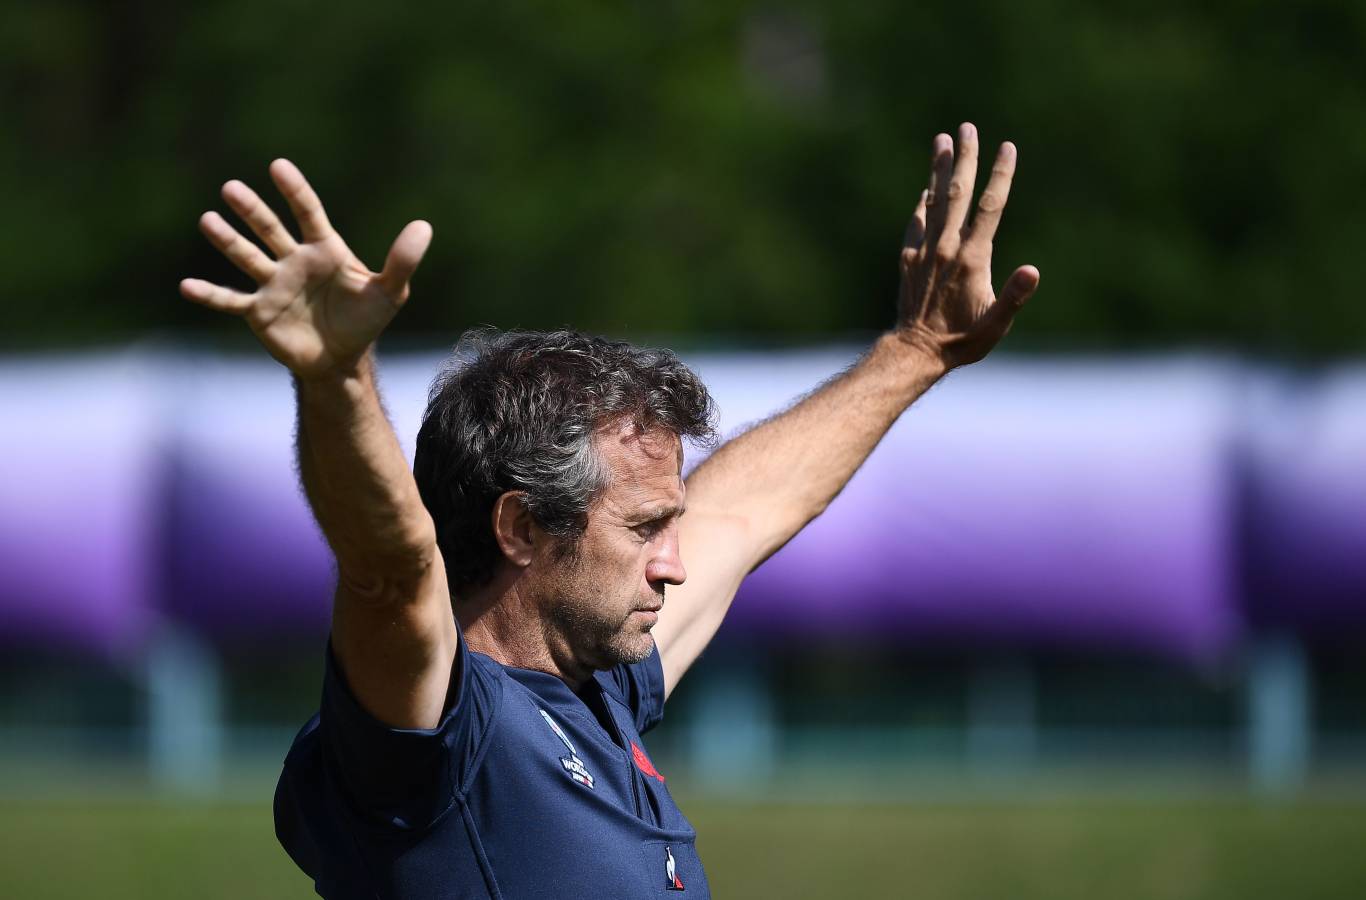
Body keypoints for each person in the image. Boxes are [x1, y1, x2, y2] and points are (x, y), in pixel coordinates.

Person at [179, 122, 1039, 899]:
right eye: (642, 528)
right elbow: (388, 568)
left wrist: (918, 352)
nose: (673, 561)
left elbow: (742, 514)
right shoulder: (438, 732)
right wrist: (334, 379)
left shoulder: (600, 683)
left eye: (668, 523)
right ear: (519, 527)